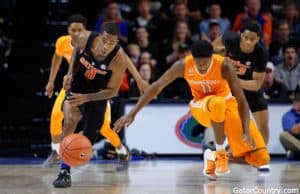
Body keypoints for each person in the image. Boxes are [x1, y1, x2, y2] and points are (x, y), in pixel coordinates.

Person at [114, 40, 270, 180]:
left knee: (261, 158)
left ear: (212, 58)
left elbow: (241, 100)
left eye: (205, 63)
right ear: (192, 58)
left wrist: (246, 131)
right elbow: (156, 86)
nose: (201, 67)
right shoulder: (182, 65)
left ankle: (213, 157)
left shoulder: (224, 66)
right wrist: (132, 113)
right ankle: (221, 152)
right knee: (216, 103)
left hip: (228, 107)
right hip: (201, 106)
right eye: (198, 63)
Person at [52, 22, 148, 188]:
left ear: (116, 43)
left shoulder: (118, 58)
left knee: (93, 136)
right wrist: (70, 73)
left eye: (111, 43)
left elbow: (112, 92)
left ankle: (121, 149)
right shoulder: (84, 37)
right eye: (104, 40)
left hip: (98, 93)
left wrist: (87, 98)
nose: (106, 46)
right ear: (99, 36)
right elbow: (75, 50)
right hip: (78, 85)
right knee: (69, 120)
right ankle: (64, 172)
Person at [212, 22, 270, 144]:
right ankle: (222, 148)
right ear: (240, 35)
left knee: (263, 127)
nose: (248, 42)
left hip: (249, 87)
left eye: (252, 39)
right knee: (227, 121)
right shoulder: (229, 39)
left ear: (258, 39)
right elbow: (211, 51)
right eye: (246, 38)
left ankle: (262, 155)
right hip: (231, 88)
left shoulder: (261, 54)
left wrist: (234, 80)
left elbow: (256, 85)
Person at [44, 14, 87, 167]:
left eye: (79, 30)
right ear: (68, 30)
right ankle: (56, 151)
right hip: (71, 85)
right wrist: (50, 82)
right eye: (73, 30)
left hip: (91, 88)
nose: (76, 33)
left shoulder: (93, 44)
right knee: (56, 115)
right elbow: (57, 58)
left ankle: (122, 152)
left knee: (103, 127)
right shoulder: (62, 42)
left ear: (85, 30)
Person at [280, 87, 300, 160]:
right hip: (296, 141)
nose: (295, 102)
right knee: (283, 135)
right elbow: (295, 130)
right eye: (294, 100)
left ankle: (295, 154)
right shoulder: (288, 115)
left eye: (298, 101)